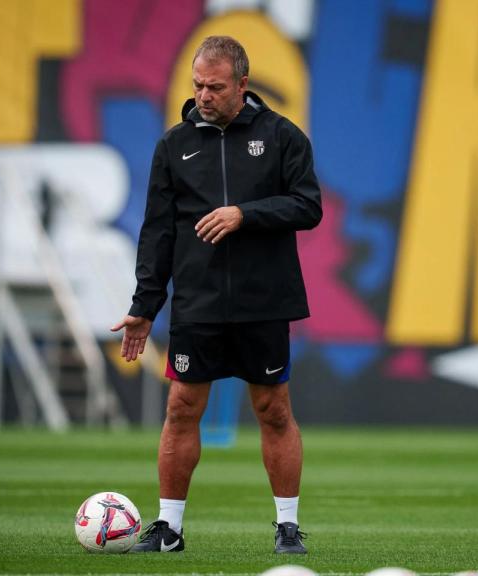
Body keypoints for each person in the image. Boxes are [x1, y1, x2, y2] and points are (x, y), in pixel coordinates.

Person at [110, 35, 321, 555]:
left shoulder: (281, 136)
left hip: (264, 300)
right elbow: (157, 232)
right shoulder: (172, 146)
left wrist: (245, 214)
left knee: (273, 409)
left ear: (243, 85)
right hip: (198, 304)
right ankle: (168, 529)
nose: (204, 95)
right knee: (181, 407)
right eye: (198, 85)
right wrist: (143, 308)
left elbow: (308, 206)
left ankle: (288, 527)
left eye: (216, 86)